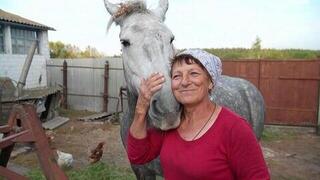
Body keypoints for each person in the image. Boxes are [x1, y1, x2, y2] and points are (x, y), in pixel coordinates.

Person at [127, 49, 270, 179]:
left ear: (210, 82)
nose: (184, 82)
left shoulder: (235, 129)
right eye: (176, 76)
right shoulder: (170, 123)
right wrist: (141, 108)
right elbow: (137, 155)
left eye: (193, 73)